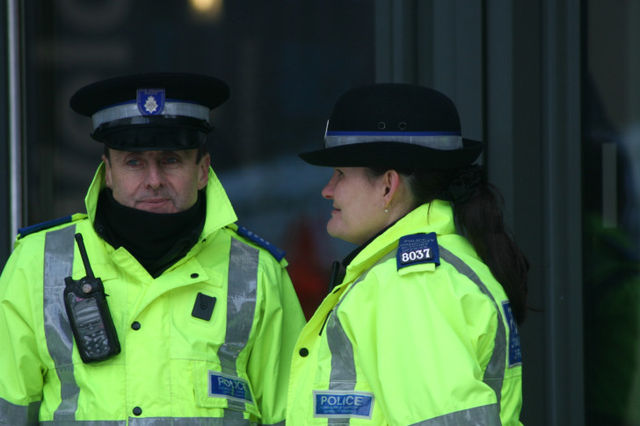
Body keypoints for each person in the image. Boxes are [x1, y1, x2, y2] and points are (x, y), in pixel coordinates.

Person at [0, 72, 305, 425]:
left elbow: (292, 415)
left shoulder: (256, 271)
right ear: (108, 171)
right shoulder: (37, 262)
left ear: (202, 170)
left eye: (171, 160)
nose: (154, 180)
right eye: (134, 162)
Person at [287, 83, 528, 425]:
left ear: (388, 185)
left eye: (340, 173)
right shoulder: (434, 270)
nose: (328, 190)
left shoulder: (411, 285)